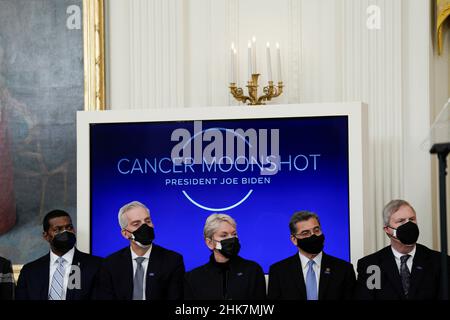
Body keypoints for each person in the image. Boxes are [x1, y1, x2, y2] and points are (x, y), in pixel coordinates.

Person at [355, 199, 450, 300]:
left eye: (412, 219)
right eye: (401, 221)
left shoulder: (440, 262)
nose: (408, 225)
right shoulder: (372, 266)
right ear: (388, 230)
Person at [96, 201, 184, 300]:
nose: (144, 227)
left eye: (147, 221)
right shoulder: (110, 264)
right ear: (125, 233)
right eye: (136, 224)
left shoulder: (173, 261)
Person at [15, 209, 102, 300]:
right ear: (46, 236)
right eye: (58, 230)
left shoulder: (96, 266)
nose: (65, 232)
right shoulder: (30, 271)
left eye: (69, 227)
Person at [268, 211, 356, 300]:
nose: (313, 236)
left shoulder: (344, 269)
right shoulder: (279, 271)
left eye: (316, 230)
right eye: (305, 233)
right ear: (294, 239)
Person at [184, 213, 266, 300]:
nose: (231, 239)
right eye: (224, 235)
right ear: (210, 243)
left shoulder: (253, 271)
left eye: (234, 234)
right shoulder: (193, 278)